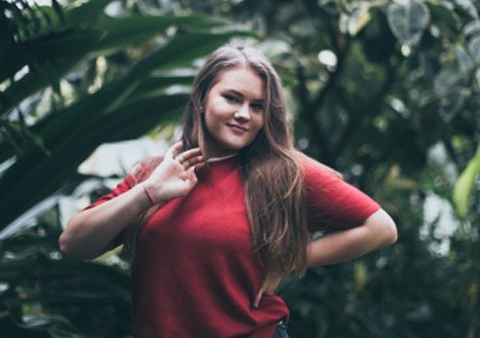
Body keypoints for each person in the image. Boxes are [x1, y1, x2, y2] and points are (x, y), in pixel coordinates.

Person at [59, 44, 397, 338]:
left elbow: (380, 227)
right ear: (202, 98)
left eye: (257, 106)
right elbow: (74, 244)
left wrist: (289, 259)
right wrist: (149, 192)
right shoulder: (155, 173)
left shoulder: (285, 172)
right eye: (232, 98)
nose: (243, 114)